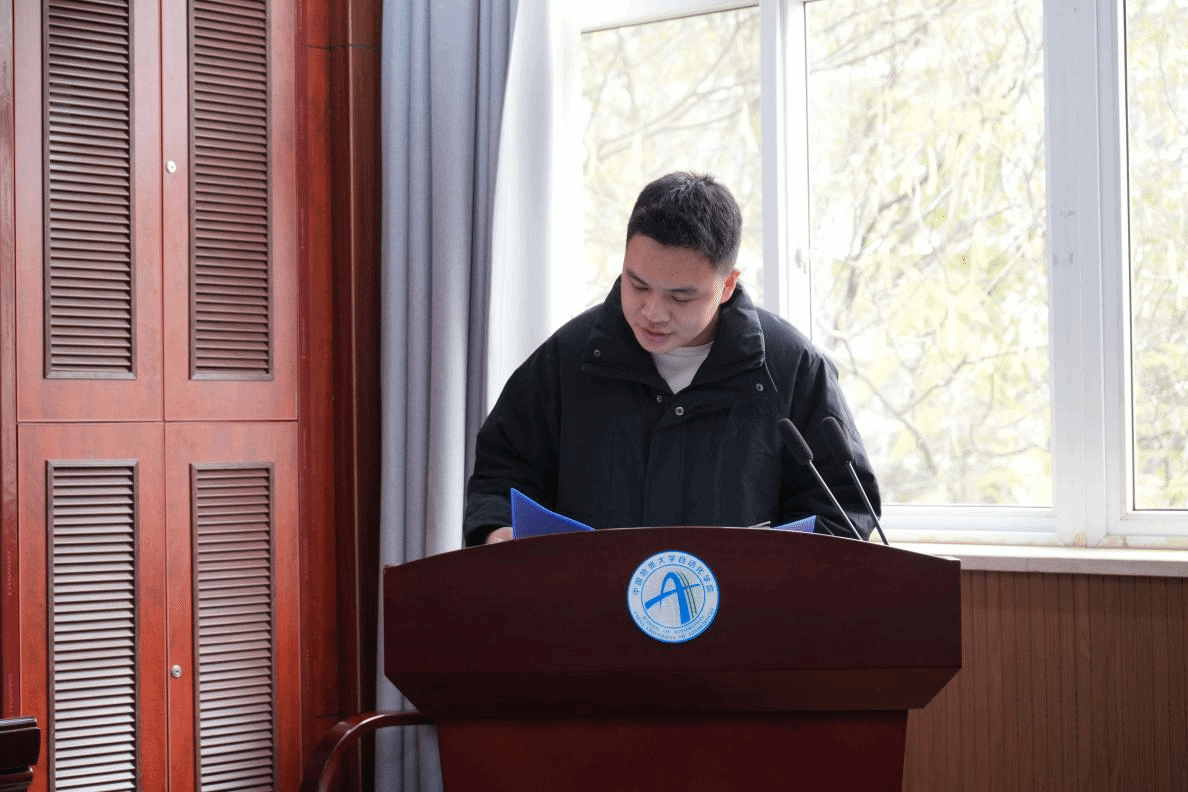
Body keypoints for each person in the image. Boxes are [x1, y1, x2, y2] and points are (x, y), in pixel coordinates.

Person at [464, 171, 879, 546]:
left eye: (680, 297)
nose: (652, 313)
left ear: (727, 285)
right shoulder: (567, 357)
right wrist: (497, 530)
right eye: (637, 285)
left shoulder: (794, 367)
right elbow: (502, 474)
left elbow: (843, 508)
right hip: (590, 603)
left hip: (745, 606)